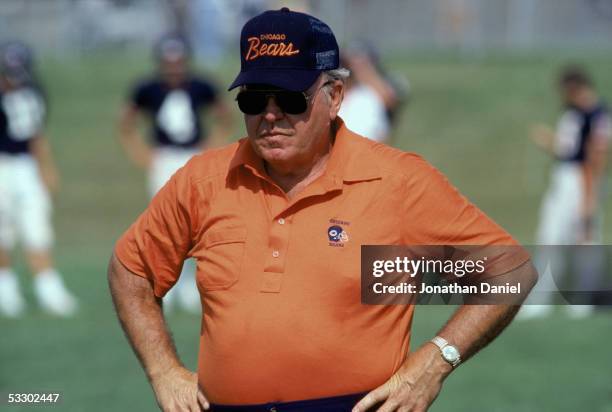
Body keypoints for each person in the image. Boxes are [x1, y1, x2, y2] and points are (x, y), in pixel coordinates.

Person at [109, 8, 536, 411]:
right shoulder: (203, 180)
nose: (270, 115)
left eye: (291, 99)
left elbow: (510, 271)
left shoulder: (398, 182)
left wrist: (436, 360)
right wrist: (162, 369)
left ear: (334, 97)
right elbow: (132, 269)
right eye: (254, 100)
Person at [118, 33, 232, 314]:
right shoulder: (148, 88)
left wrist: (212, 146)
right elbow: (126, 122)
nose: (174, 68)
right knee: (164, 222)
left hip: (193, 154)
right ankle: (164, 282)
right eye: (169, 62)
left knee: (198, 220)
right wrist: (140, 154)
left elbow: (224, 114)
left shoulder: (200, 85)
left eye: (178, 62)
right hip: (164, 155)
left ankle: (191, 282)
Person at [519, 66, 611, 320]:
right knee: (551, 238)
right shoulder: (573, 113)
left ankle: (582, 301)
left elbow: (596, 156)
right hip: (565, 179)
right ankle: (540, 300)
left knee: (584, 241)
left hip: (581, 180)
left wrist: (589, 198)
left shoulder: (597, 114)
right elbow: (568, 148)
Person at [0, 41, 78, 318]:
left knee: (37, 226)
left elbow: (36, 135)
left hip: (25, 165)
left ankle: (48, 287)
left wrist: (47, 168)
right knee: (3, 231)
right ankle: (6, 290)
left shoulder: (35, 92)